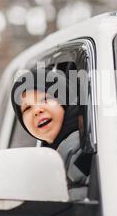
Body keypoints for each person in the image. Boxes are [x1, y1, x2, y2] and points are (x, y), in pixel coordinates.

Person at [10, 65, 91, 200]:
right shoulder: (50, 154)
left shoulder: (82, 150)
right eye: (27, 108)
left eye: (45, 99)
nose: (37, 110)